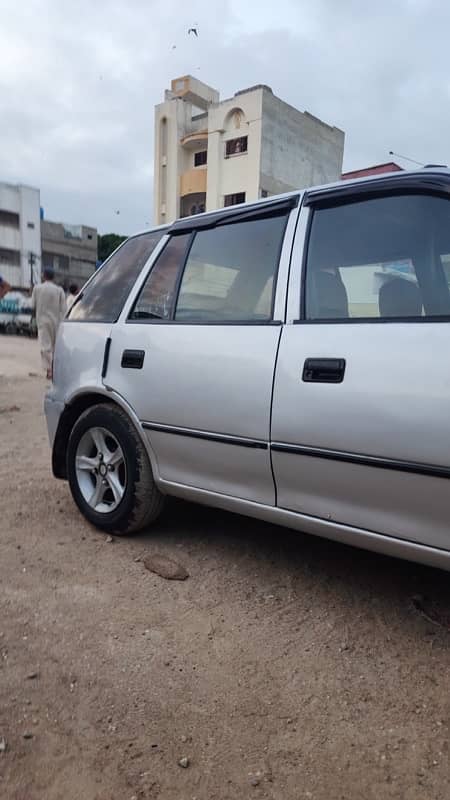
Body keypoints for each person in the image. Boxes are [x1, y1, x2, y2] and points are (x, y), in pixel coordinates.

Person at [31, 268, 66, 379]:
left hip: (43, 321)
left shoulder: (37, 288)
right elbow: (64, 308)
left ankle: (50, 370)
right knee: (56, 347)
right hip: (57, 321)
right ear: (53, 277)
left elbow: (32, 305)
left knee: (45, 346)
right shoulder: (59, 290)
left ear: (44, 276)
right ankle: (55, 368)